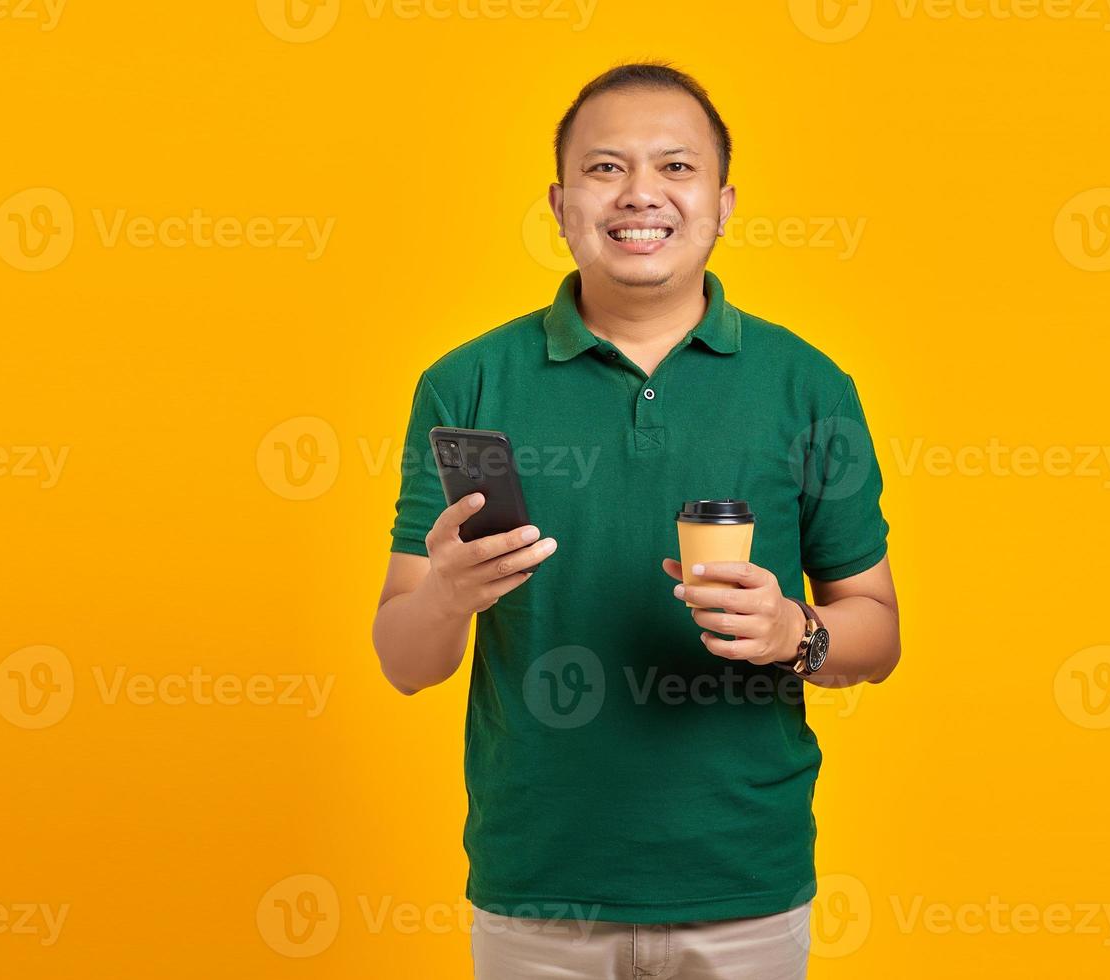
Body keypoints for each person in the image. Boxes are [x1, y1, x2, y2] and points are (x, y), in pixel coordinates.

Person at [372, 61, 901, 980]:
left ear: (725, 202)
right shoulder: (467, 384)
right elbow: (403, 661)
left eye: (677, 168)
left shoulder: (808, 384)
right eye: (605, 169)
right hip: (538, 885)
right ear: (561, 202)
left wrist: (794, 632)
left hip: (743, 883)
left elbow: (879, 633)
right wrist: (449, 596)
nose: (640, 195)